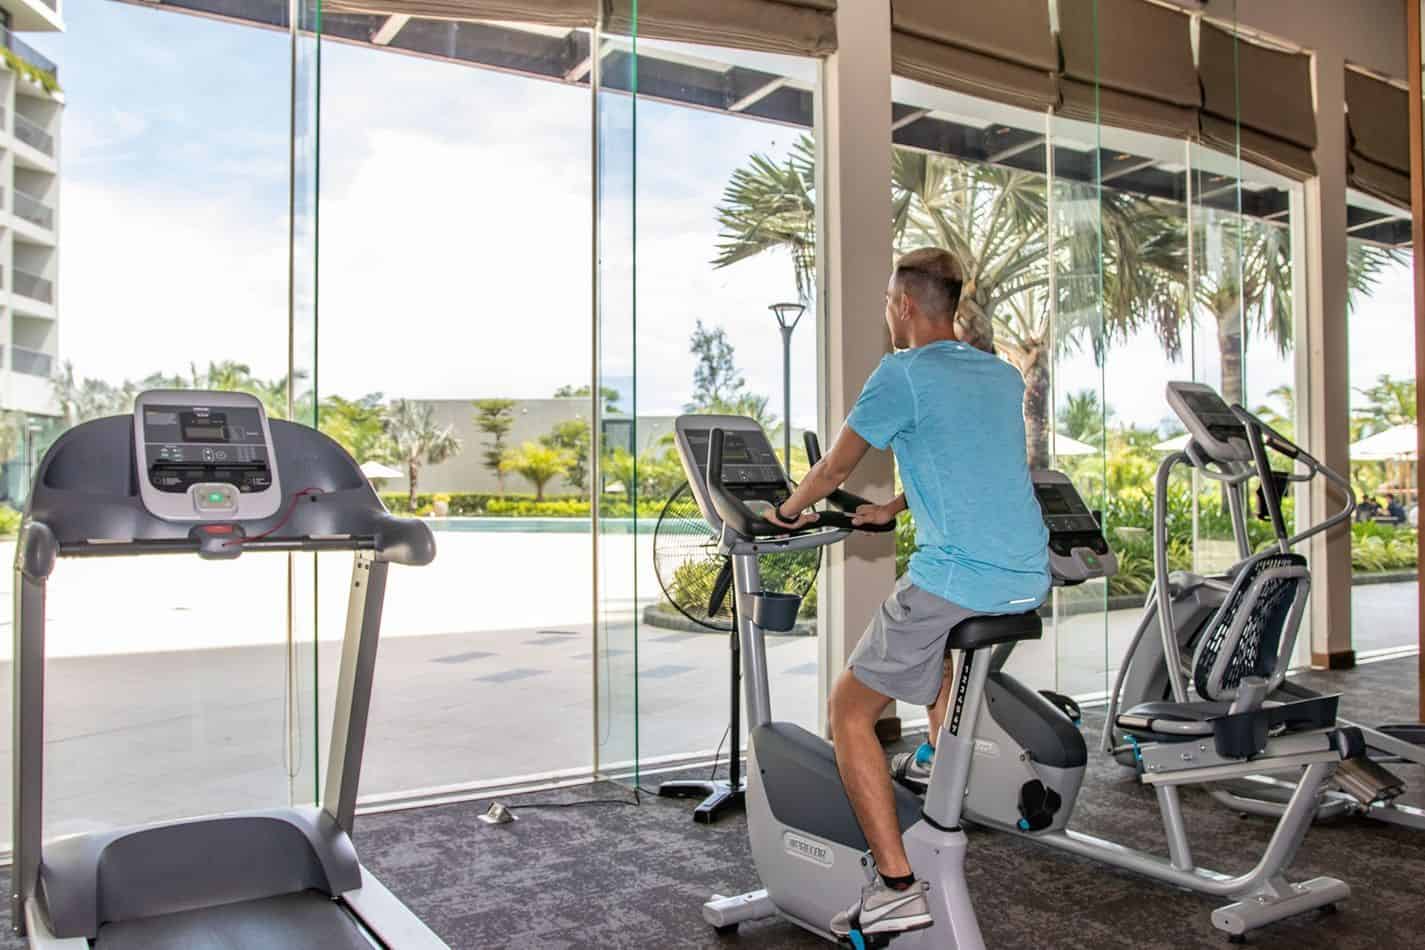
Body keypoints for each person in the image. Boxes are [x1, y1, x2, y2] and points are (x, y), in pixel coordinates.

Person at [766, 247, 1050, 940]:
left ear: (904, 305)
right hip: (1024, 575)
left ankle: (895, 885)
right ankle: (934, 766)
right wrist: (895, 506)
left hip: (958, 575)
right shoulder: (999, 374)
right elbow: (974, 463)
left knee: (849, 711)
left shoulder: (902, 372)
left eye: (887, 303)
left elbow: (833, 468)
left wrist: (784, 512)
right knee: (938, 661)